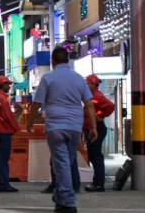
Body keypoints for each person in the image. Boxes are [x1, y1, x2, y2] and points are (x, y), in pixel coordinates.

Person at [28, 47, 97, 213]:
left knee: (62, 164)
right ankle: (60, 198)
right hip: (75, 127)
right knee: (67, 162)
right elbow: (89, 104)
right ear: (68, 60)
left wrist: (30, 122)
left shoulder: (48, 78)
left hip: (56, 126)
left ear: (53, 62)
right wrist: (94, 127)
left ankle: (68, 202)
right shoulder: (79, 78)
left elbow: (37, 103)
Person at [0, 76, 20, 192]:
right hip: (4, 132)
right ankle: (3, 184)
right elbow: (8, 116)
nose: (9, 86)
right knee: (2, 159)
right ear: (2, 85)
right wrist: (17, 128)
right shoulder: (2, 99)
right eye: (7, 84)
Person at [84, 74, 115, 192]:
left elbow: (110, 106)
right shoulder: (89, 95)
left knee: (96, 156)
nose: (86, 85)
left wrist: (99, 115)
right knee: (94, 155)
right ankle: (97, 182)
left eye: (87, 83)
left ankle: (98, 183)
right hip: (92, 128)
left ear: (93, 84)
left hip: (96, 128)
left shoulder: (97, 96)